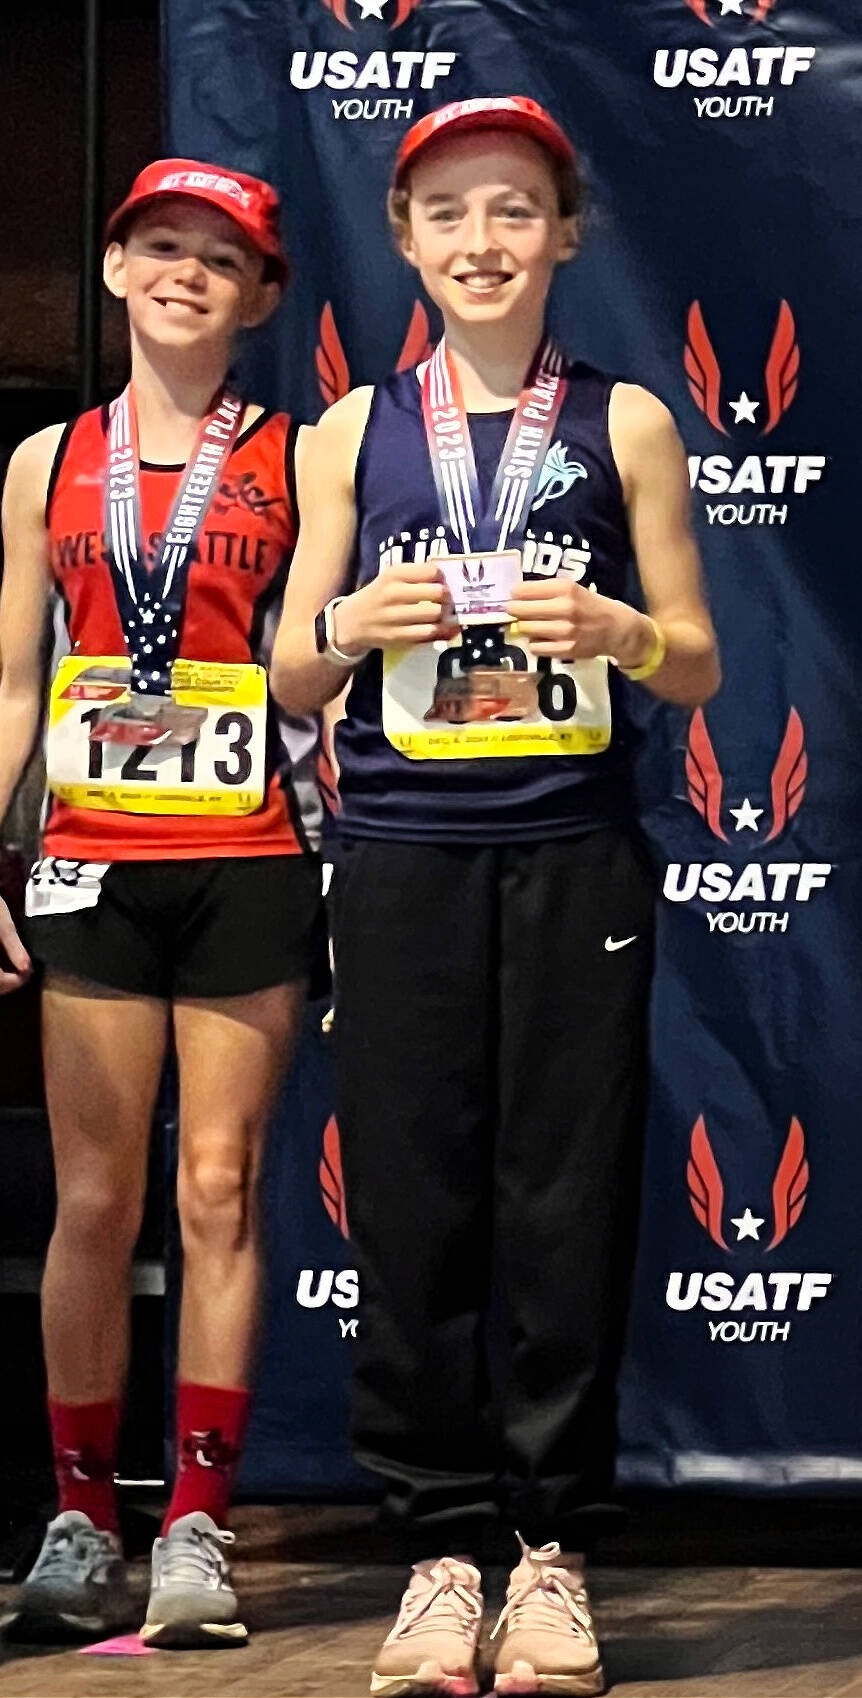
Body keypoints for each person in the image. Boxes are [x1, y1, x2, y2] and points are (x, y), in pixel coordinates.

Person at [272, 94, 721, 1696]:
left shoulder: (630, 424)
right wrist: (346, 620)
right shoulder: (345, 430)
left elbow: (701, 657)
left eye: (512, 211)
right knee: (410, 1202)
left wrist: (616, 638)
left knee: (563, 1196)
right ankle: (440, 1551)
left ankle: (548, 1555)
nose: (480, 241)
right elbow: (286, 666)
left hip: (571, 848)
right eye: (447, 213)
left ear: (564, 233)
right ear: (402, 239)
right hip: (397, 858)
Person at [0, 159, 322, 1647]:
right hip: (90, 858)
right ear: (119, 270)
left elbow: (315, 672)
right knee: (92, 1195)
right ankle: (81, 1513)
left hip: (248, 854)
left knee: (219, 1191)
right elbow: (13, 679)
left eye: (220, 256)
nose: (187, 272)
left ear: (259, 296)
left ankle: (195, 1519)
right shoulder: (44, 459)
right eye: (160, 246)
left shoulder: (302, 457)